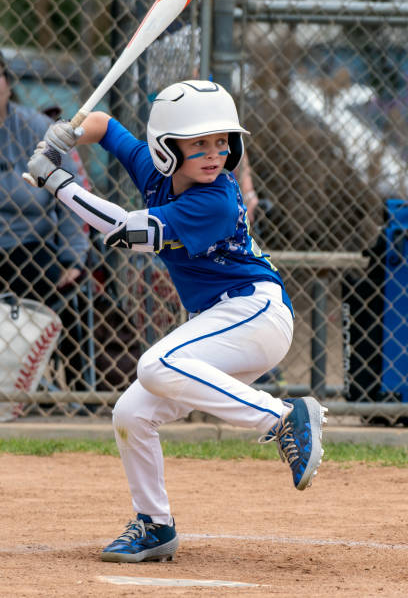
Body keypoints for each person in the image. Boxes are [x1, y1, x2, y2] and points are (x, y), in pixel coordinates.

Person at [26, 79, 327, 563]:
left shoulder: (216, 200)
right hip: (225, 319)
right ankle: (155, 526)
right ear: (166, 150)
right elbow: (105, 126)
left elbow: (125, 231)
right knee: (132, 413)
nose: (214, 154)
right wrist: (67, 132)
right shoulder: (153, 170)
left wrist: (58, 181)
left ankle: (281, 418)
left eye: (221, 142)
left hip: (255, 311)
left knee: (156, 363)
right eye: (198, 144)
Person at [0, 52, 90, 403]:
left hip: (29, 245)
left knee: (74, 297)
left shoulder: (36, 128)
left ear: (8, 83)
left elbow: (69, 196)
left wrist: (72, 257)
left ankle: (86, 395)